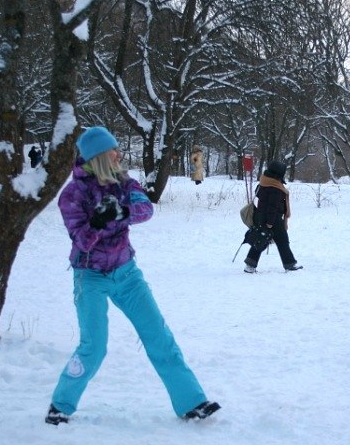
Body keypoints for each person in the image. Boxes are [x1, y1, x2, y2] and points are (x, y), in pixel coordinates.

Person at [45, 126, 220, 425]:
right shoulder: (73, 195)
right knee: (94, 347)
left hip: (127, 274)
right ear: (99, 156)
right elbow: (81, 241)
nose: (119, 155)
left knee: (159, 337)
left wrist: (122, 212)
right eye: (113, 150)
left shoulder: (123, 182)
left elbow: (145, 209)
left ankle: (192, 403)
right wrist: (98, 222)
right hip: (91, 278)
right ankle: (60, 405)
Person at [243, 160, 302, 273]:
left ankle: (250, 265)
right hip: (273, 219)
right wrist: (270, 222)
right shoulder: (274, 187)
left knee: (261, 239)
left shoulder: (264, 182)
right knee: (282, 241)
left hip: (261, 216)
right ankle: (289, 264)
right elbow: (272, 207)